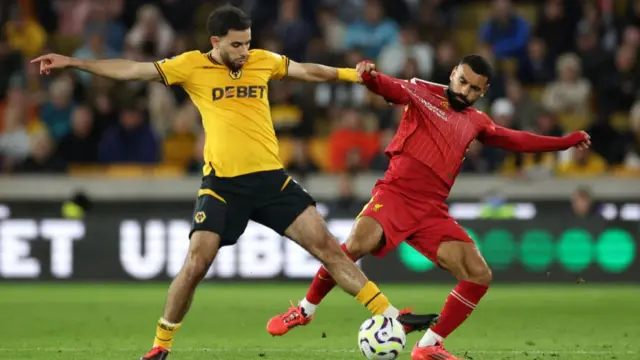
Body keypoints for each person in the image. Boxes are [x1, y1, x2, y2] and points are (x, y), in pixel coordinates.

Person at [31, 5, 439, 360]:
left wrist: (355, 75)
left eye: (248, 43)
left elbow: (307, 71)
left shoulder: (261, 60)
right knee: (196, 264)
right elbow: (132, 70)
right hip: (222, 186)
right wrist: (74, 62)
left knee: (330, 248)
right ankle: (160, 345)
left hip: (271, 182)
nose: (245, 51)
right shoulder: (190, 65)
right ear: (216, 41)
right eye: (237, 45)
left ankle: (388, 315)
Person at [267, 55, 591, 360]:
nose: (465, 91)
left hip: (431, 210)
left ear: (484, 91)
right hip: (394, 195)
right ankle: (304, 311)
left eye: (475, 88)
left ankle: (429, 345)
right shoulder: (421, 91)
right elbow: (387, 86)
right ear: (453, 73)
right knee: (352, 247)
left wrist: (564, 142)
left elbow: (515, 140)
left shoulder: (477, 121)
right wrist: (369, 77)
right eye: (462, 81)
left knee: (479, 275)